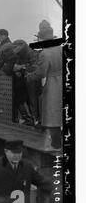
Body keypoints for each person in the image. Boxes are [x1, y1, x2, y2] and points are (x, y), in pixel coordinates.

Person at [26, 20, 62, 150]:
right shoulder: (61, 47)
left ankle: (56, 145)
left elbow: (41, 72)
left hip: (54, 83)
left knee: (52, 114)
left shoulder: (45, 53)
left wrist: (29, 76)